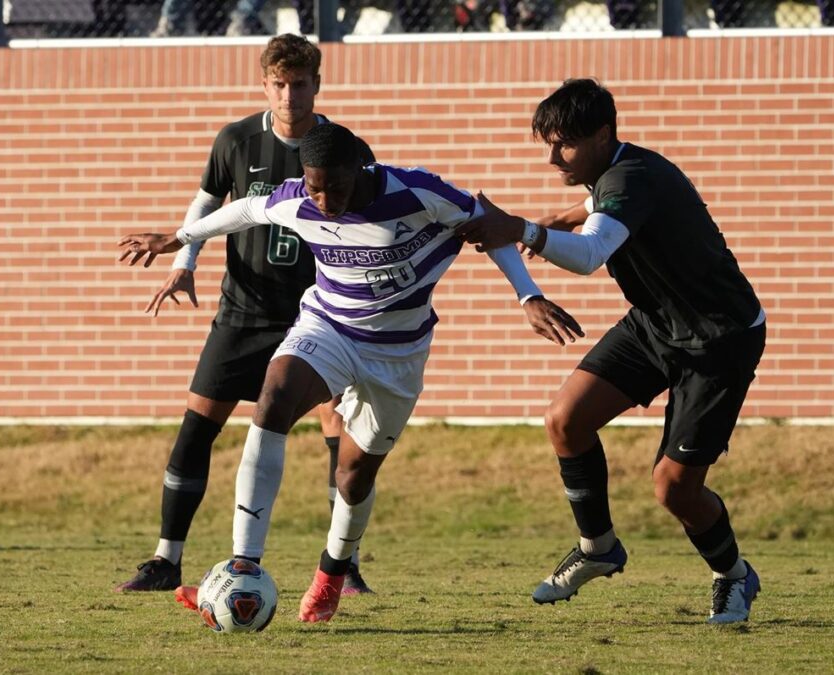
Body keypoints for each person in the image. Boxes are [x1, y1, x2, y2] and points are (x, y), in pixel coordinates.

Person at [118, 122, 584, 623]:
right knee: (273, 398)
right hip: (329, 327)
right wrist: (176, 238)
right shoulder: (297, 200)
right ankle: (244, 563)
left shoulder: (417, 191)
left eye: (334, 186)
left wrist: (528, 294)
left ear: (360, 170)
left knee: (353, 474)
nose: (323, 198)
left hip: (397, 354)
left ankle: (332, 574)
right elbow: (245, 210)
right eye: (314, 185)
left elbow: (491, 228)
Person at [456, 79, 766, 624]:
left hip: (719, 340)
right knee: (565, 420)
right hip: (654, 326)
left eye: (565, 145)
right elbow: (596, 208)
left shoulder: (632, 176)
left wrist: (525, 227)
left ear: (603, 136)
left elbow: (593, 254)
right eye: (548, 144)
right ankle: (598, 548)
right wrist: (560, 219)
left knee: (673, 489)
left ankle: (733, 575)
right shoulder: (613, 173)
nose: (553, 157)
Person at [114, 35, 377, 596]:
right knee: (196, 427)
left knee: (338, 433)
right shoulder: (235, 140)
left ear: (317, 85)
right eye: (279, 84)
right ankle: (166, 560)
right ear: (265, 85)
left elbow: (368, 218)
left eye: (300, 83)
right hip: (243, 311)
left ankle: (342, 565)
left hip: (318, 315)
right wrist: (185, 262)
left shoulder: (344, 145)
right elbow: (208, 205)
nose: (289, 95)